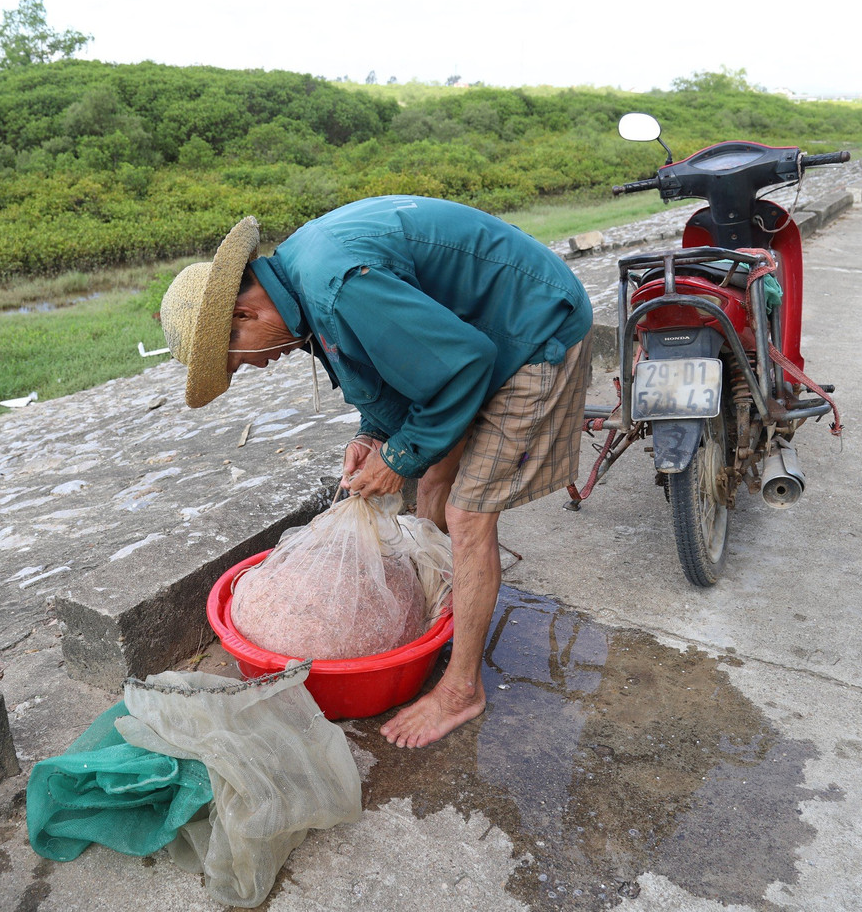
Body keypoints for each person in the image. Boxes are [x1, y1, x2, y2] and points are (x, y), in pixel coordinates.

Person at [159, 195, 593, 748]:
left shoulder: (336, 286)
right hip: (477, 331)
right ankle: (433, 600)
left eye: (236, 357)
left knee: (467, 514)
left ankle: (462, 689)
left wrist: (400, 458)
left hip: (531, 325)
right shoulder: (300, 286)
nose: (252, 366)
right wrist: (374, 434)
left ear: (244, 314)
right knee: (434, 468)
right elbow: (382, 359)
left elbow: (465, 363)